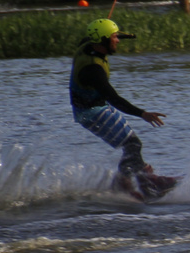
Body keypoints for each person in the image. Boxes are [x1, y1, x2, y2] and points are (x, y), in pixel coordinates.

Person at [70, 18, 170, 196]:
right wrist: (142, 114)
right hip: (90, 113)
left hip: (99, 106)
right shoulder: (92, 70)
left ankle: (139, 181)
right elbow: (114, 98)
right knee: (132, 144)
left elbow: (92, 36)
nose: (117, 40)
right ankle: (135, 182)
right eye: (115, 37)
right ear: (102, 41)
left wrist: (108, 28)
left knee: (132, 144)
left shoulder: (88, 44)